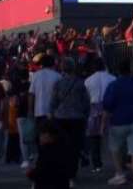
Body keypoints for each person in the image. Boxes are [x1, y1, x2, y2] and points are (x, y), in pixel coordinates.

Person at [103, 59, 133, 189]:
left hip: (118, 122)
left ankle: (120, 174)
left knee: (115, 148)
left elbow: (107, 106)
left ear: (117, 71)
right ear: (130, 70)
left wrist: (103, 125)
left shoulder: (113, 85)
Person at [50, 58, 90, 186]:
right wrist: (85, 116)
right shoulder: (80, 83)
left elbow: (53, 103)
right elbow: (86, 103)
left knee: (61, 147)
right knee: (74, 148)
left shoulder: (58, 83)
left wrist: (52, 115)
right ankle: (72, 175)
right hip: (77, 119)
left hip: (60, 118)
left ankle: (62, 174)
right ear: (73, 68)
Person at [84, 58, 116, 173]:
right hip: (110, 108)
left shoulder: (88, 80)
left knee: (94, 138)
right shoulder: (112, 78)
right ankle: (116, 161)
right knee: (113, 136)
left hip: (94, 108)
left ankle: (97, 164)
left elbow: (86, 98)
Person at [27, 119, 75, 189]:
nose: (40, 137)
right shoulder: (64, 148)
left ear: (49, 135)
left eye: (42, 134)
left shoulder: (47, 152)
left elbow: (41, 171)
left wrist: (30, 173)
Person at [28, 54, 61, 128]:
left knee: (41, 135)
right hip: (54, 112)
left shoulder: (35, 76)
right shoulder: (58, 76)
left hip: (39, 111)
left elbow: (31, 94)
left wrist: (30, 110)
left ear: (41, 65)